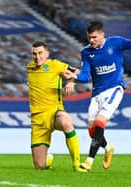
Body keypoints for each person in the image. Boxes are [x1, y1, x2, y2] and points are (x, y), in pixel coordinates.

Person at [61, 18, 131, 171]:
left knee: (100, 123)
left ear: (102, 35)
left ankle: (89, 161)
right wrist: (74, 77)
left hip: (115, 88)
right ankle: (108, 149)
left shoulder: (116, 43)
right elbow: (86, 75)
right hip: (97, 93)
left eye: (94, 37)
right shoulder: (86, 52)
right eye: (89, 37)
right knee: (92, 131)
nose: (91, 40)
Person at [26, 41, 87, 172]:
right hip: (37, 120)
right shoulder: (29, 67)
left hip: (54, 112)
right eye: (34, 54)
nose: (37, 56)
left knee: (66, 122)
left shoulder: (55, 65)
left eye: (40, 53)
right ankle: (47, 159)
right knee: (39, 166)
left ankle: (76, 165)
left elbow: (79, 73)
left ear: (47, 53)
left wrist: (72, 81)